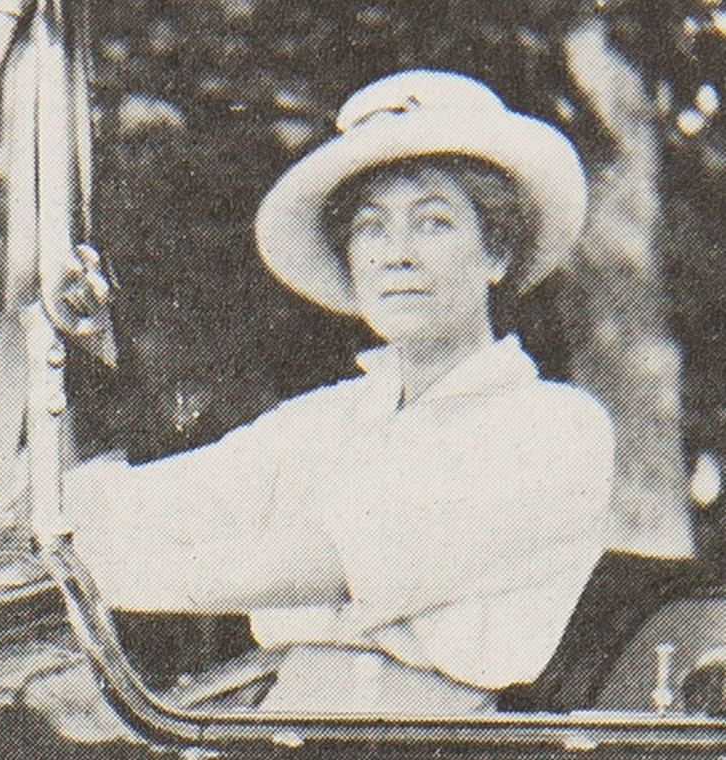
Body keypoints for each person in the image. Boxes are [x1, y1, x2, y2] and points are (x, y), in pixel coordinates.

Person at [57, 69, 615, 715]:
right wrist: (7, 508)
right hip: (280, 720)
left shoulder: (553, 427)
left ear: (496, 254)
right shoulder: (326, 421)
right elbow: (156, 502)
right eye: (371, 228)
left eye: (433, 222)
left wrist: (92, 574)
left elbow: (327, 562)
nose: (396, 254)